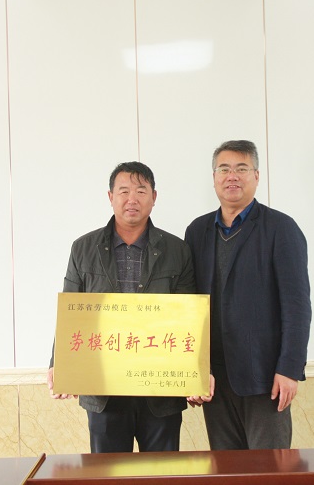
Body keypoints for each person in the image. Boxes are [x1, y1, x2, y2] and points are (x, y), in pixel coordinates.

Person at [47, 161, 197, 453]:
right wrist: (59, 364)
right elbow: (70, 312)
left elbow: (189, 317)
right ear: (110, 196)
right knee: (107, 473)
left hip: (160, 389)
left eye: (141, 191)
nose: (132, 199)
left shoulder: (177, 250)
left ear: (154, 197)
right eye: (124, 191)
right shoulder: (83, 248)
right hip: (104, 389)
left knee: (164, 472)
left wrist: (198, 373)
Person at [184, 140, 311, 450]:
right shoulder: (197, 231)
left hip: (265, 378)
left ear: (256, 176)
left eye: (241, 169)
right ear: (214, 177)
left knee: (269, 468)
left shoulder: (281, 228)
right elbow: (189, 306)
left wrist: (289, 369)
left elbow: (296, 307)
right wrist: (192, 370)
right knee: (226, 469)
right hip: (215, 380)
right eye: (224, 169)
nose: (232, 176)